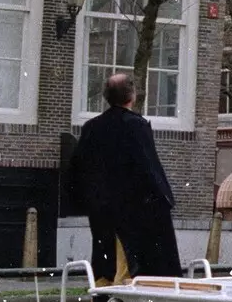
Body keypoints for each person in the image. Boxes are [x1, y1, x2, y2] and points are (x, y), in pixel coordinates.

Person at [72, 72, 182, 280]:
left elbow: (79, 170)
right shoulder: (135, 125)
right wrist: (164, 200)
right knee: (130, 265)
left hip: (101, 212)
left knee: (105, 262)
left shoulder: (91, 128)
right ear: (132, 96)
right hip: (132, 212)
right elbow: (148, 168)